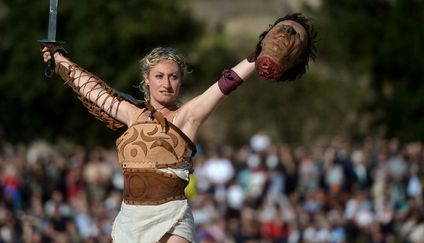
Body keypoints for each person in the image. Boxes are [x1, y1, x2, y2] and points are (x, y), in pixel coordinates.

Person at [40, 12, 317, 243]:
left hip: (172, 216)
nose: (167, 83)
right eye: (159, 76)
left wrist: (256, 58)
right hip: (130, 219)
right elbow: (93, 91)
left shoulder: (187, 117)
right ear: (146, 79)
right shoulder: (131, 114)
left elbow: (225, 85)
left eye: (173, 77)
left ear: (181, 81)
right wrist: (59, 59)